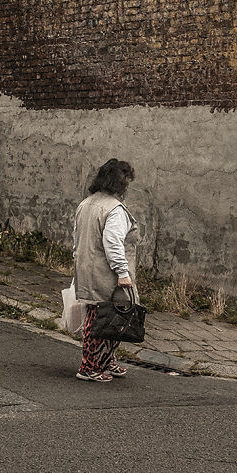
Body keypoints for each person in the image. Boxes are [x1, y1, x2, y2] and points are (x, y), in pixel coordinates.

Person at [72, 158, 138, 382]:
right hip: (106, 272)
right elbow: (113, 243)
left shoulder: (86, 203)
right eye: (126, 181)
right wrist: (123, 273)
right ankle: (89, 366)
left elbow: (76, 239)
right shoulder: (114, 209)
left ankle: (105, 360)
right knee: (106, 318)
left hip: (87, 267)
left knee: (102, 315)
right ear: (120, 183)